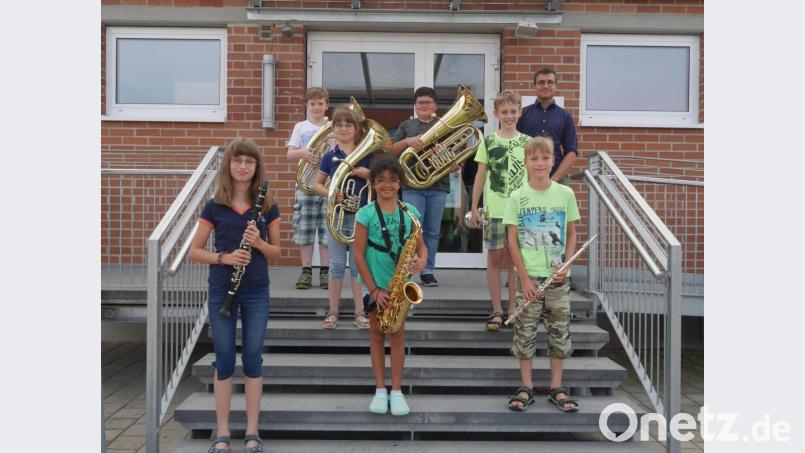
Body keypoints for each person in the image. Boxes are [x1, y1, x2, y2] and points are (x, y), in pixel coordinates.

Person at [189, 138, 281, 453]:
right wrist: (224, 258)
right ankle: (223, 431)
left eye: (249, 161)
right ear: (229, 165)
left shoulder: (267, 205)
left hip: (256, 290)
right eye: (237, 160)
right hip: (221, 290)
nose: (243, 166)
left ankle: (253, 432)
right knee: (225, 360)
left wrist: (258, 242)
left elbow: (277, 253)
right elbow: (195, 251)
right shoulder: (215, 205)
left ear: (257, 167)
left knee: (253, 359)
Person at [503, 136, 580, 413]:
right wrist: (523, 277)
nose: (539, 163)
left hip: (558, 279)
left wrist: (565, 266)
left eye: (545, 158)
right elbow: (512, 241)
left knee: (559, 334)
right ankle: (527, 386)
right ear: (525, 161)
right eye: (534, 159)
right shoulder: (517, 197)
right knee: (524, 334)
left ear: (552, 161)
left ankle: (556, 387)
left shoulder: (565, 194)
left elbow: (572, 233)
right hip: (530, 279)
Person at [353, 158, 427, 416]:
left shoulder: (411, 213)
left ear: (400, 184)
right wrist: (374, 290)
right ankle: (380, 389)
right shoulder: (366, 214)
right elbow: (359, 255)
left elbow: (421, 246)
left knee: (397, 335)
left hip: (400, 286)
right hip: (376, 286)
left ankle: (396, 391)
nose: (387, 185)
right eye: (381, 180)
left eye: (393, 180)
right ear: (372, 183)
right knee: (376, 335)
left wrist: (423, 259)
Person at [471, 90, 531, 332]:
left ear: (520, 113)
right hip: (495, 211)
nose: (509, 116)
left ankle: (514, 308)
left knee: (517, 262)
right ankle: (496, 309)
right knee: (495, 258)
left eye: (513, 111)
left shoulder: (528, 142)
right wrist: (474, 206)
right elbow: (480, 174)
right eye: (504, 112)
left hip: (521, 211)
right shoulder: (489, 141)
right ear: (496, 114)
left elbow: (535, 175)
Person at [312, 107, 373, 330]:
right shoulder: (330, 156)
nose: (344, 129)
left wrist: (369, 174)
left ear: (356, 129)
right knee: (336, 265)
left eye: (348, 125)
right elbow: (316, 184)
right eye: (339, 125)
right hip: (336, 217)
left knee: (358, 266)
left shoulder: (367, 155)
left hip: (361, 217)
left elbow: (382, 182)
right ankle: (333, 311)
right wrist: (332, 194)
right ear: (334, 129)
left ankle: (360, 312)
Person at [390, 86, 446, 287]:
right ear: (415, 105)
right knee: (412, 229)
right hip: (413, 184)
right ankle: (407, 268)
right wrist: (407, 141)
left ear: (435, 105)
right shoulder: (407, 125)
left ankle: (427, 270)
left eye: (428, 102)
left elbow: (456, 154)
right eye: (420, 102)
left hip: (439, 185)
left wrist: (453, 161)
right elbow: (392, 152)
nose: (424, 105)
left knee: (432, 231)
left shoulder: (444, 125)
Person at [287, 87, 331, 290]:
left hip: (327, 185)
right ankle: (305, 271)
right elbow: (290, 155)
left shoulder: (332, 126)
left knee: (326, 229)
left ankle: (325, 271)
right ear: (306, 105)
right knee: (304, 229)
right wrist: (304, 153)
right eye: (312, 104)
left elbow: (338, 152)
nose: (316, 107)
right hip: (304, 183)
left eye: (320, 103)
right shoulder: (300, 127)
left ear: (326, 105)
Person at [516, 67, 579, 182]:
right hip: (526, 179)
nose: (545, 86)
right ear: (534, 86)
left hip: (557, 179)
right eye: (541, 82)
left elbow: (571, 152)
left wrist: (553, 180)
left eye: (550, 82)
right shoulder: (522, 114)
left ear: (555, 85)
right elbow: (514, 147)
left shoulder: (565, 117)